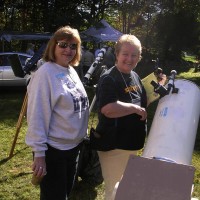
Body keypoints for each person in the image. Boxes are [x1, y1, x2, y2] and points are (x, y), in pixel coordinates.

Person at [25, 26, 89, 200]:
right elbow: (36, 115)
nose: (68, 50)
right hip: (54, 152)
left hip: (73, 149)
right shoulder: (45, 74)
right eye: (63, 44)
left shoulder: (70, 70)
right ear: (53, 45)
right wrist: (39, 154)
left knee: (65, 194)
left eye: (73, 46)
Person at [95, 34, 148, 200]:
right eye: (125, 54)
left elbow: (141, 102)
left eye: (134, 55)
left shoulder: (134, 76)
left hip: (131, 144)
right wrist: (134, 108)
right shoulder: (109, 78)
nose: (129, 59)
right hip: (114, 145)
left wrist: (158, 87)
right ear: (117, 54)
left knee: (126, 188)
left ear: (139, 57)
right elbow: (108, 109)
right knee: (115, 191)